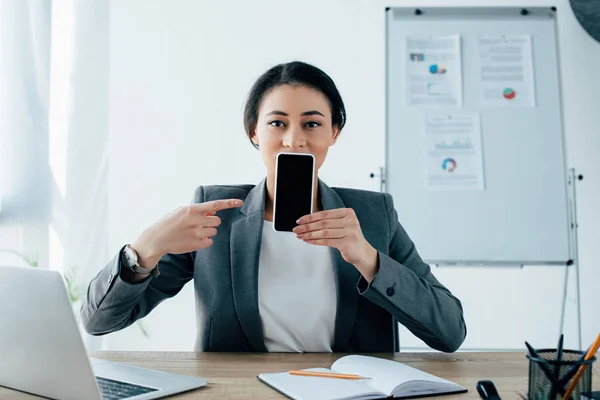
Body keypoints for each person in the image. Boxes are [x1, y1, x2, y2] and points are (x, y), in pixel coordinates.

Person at [81, 61, 466, 353]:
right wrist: (144, 249)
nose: (294, 140)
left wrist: (368, 258)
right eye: (277, 123)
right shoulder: (214, 215)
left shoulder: (373, 214)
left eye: (312, 124)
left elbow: (450, 332)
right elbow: (98, 322)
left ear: (334, 132)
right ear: (254, 132)